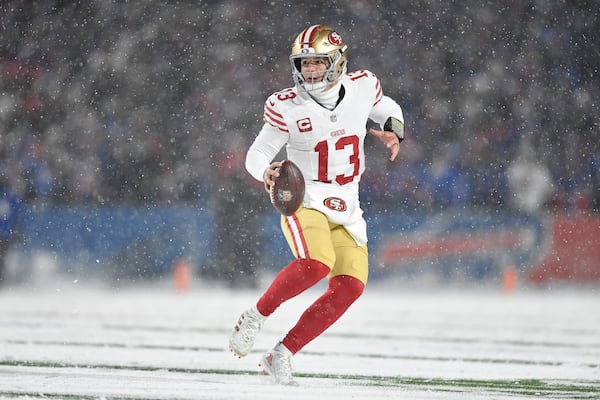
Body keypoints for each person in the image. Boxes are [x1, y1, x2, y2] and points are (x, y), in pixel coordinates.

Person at [228, 25, 405, 385]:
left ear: (337, 62)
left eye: (317, 62)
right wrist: (265, 171)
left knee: (350, 286)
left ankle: (282, 353)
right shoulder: (287, 106)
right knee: (315, 263)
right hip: (305, 197)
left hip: (348, 203)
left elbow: (387, 107)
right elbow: (258, 152)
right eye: (304, 64)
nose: (309, 70)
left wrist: (393, 128)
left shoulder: (362, 86)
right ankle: (255, 316)